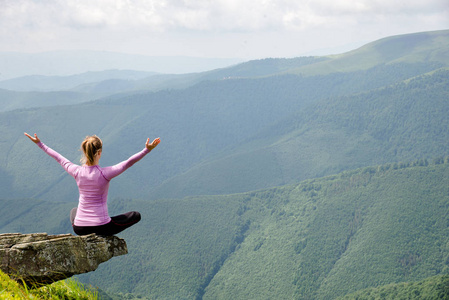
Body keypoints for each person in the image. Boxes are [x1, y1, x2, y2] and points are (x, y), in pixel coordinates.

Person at [24, 132, 160, 236]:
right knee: (135, 215)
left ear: (85, 151)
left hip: (80, 228)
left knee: (74, 211)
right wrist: (147, 150)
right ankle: (103, 222)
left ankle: (86, 221)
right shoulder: (105, 173)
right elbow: (128, 162)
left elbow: (59, 158)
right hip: (101, 227)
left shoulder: (76, 171)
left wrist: (40, 144)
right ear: (99, 152)